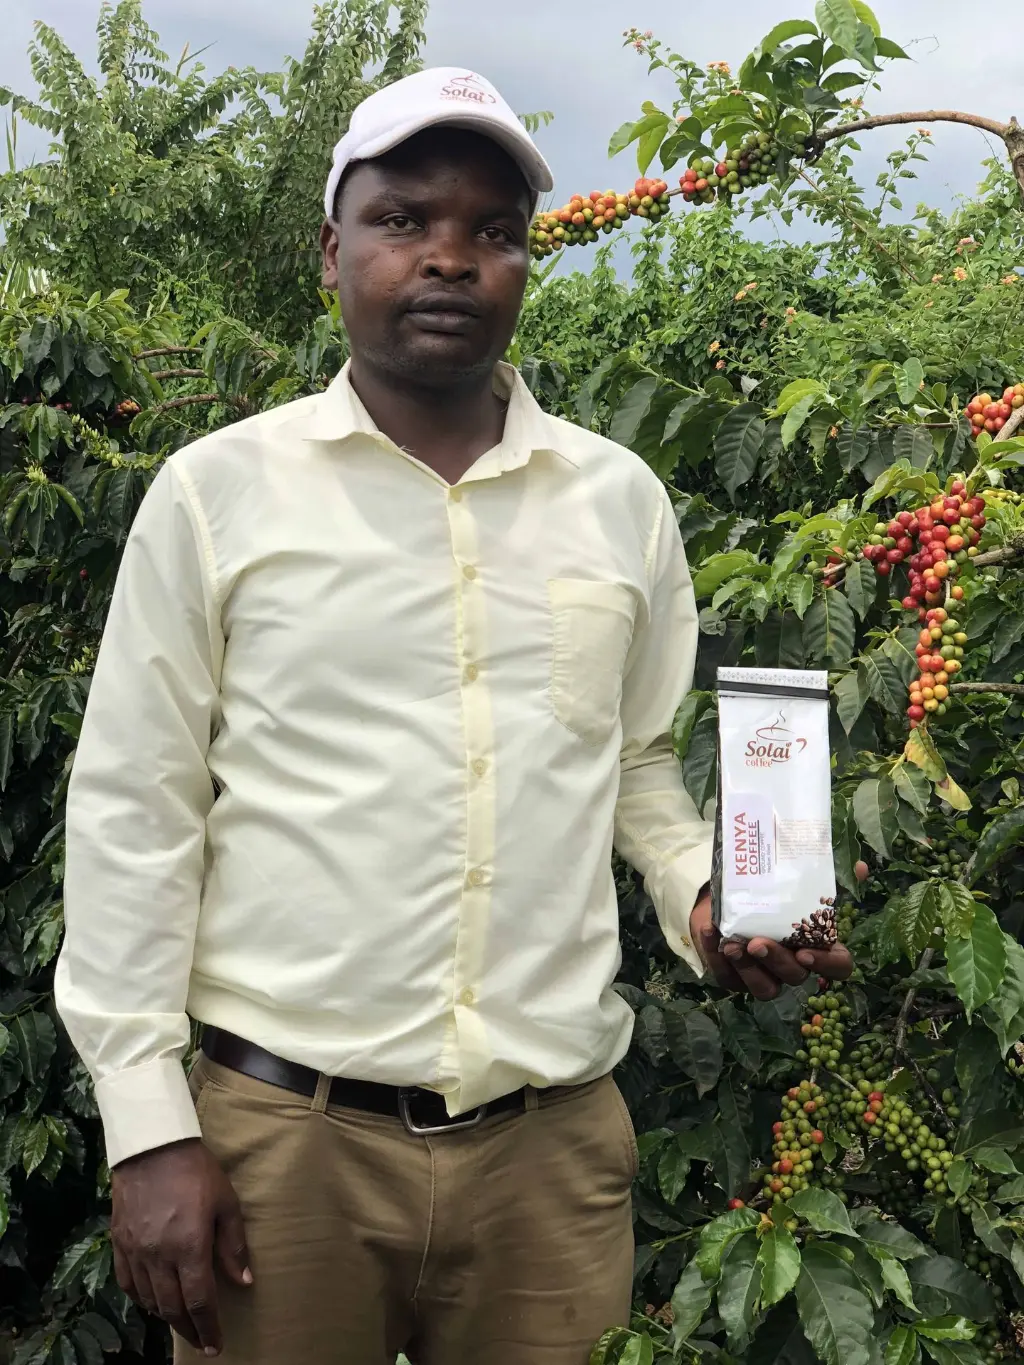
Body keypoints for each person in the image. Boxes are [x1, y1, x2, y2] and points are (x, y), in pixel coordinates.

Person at [55, 66, 852, 1365]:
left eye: (493, 232)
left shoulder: (619, 502)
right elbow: (138, 808)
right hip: (282, 1146)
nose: (449, 259)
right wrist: (148, 1124)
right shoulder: (216, 497)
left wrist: (714, 891)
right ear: (332, 249)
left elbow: (639, 761)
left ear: (526, 262)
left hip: (550, 1152)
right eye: (404, 219)